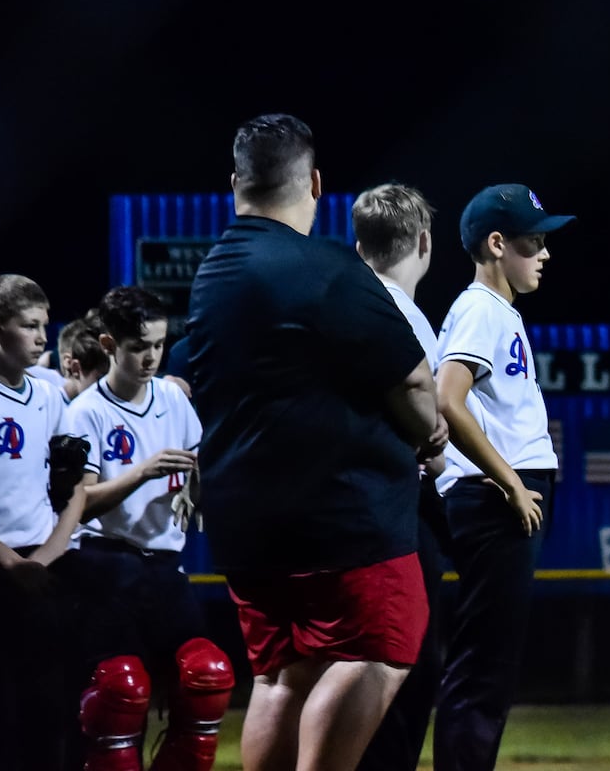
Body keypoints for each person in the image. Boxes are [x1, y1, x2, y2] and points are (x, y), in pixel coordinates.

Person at [184, 114, 443, 771]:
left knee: (282, 674)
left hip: (244, 523)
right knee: (383, 645)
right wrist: (429, 430)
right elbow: (414, 381)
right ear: (316, 183)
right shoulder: (327, 266)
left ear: (235, 184)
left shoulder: (212, 276)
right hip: (339, 517)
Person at [64, 284, 235, 771]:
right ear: (108, 346)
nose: (152, 357)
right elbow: (79, 504)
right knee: (121, 690)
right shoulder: (86, 413)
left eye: (158, 345)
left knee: (209, 676)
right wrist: (143, 471)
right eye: (139, 347)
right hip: (105, 566)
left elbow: (198, 468)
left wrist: (196, 486)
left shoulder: (172, 399)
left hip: (163, 567)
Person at [432, 182, 573, 770]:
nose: (544, 254)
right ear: (497, 244)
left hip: (504, 496)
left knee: (491, 663)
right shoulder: (479, 309)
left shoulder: (499, 311)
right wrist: (513, 483)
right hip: (497, 499)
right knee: (484, 666)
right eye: (532, 242)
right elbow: (447, 398)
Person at [350, 183, 452, 771]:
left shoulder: (346, 301)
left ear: (360, 245)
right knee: (408, 665)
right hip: (402, 508)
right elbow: (431, 435)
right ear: (423, 240)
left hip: (347, 507)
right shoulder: (404, 315)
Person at [0, 273, 88, 771]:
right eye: (29, 326)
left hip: (42, 567)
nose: (43, 337)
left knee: (52, 715)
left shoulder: (49, 394)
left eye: (45, 325)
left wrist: (44, 559)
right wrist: (6, 562)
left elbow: (75, 487)